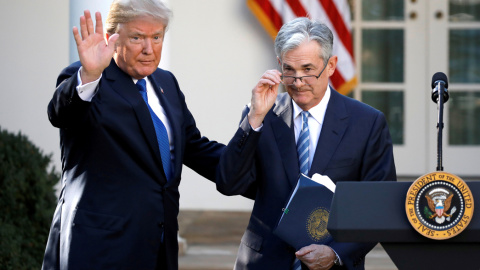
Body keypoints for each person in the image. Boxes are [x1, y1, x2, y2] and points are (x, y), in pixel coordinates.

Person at [42, 1, 224, 269]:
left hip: (158, 247)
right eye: (137, 37)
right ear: (112, 38)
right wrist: (90, 73)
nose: (149, 49)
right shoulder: (89, 79)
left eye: (157, 37)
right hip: (99, 249)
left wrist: (254, 151)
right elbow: (61, 114)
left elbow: (194, 148)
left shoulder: (166, 83)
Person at [216, 17, 397, 270]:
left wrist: (335, 252)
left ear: (331, 65)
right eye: (289, 70)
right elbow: (228, 183)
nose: (298, 81)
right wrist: (254, 118)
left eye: (308, 69)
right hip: (265, 262)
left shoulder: (367, 123)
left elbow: (379, 205)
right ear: (279, 65)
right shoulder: (260, 115)